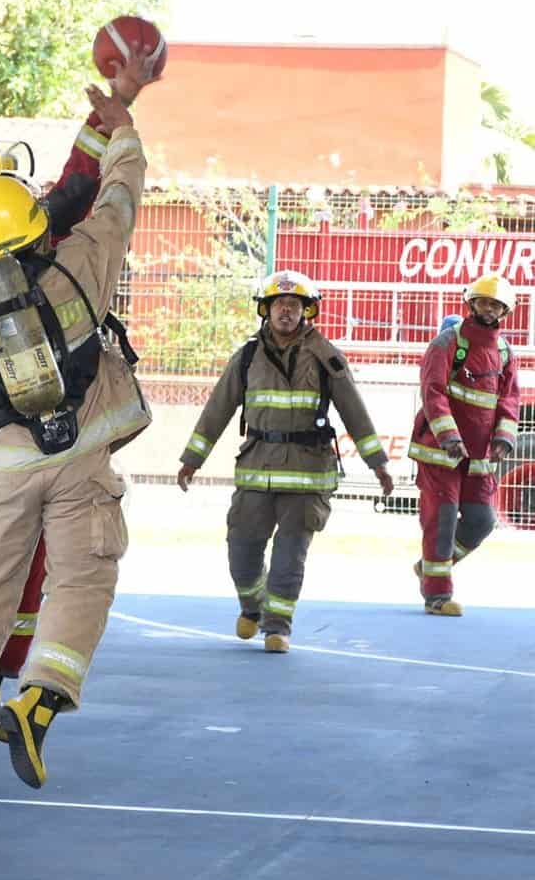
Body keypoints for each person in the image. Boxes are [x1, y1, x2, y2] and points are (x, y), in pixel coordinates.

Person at [0, 53, 157, 786]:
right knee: (81, 581)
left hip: (6, 466)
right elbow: (119, 196)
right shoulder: (84, 262)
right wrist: (125, 131)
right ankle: (38, 707)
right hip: (82, 455)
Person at [177, 270, 394, 652]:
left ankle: (278, 627)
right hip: (257, 468)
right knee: (241, 548)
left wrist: (377, 463)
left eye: (294, 306)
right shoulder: (246, 357)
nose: (287, 312)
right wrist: (192, 459)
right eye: (280, 304)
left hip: (308, 473)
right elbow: (218, 409)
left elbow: (354, 410)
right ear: (266, 310)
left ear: (306, 312)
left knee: (289, 556)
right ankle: (252, 605)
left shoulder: (327, 357)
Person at [409, 274, 520, 616]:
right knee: (440, 520)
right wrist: (449, 438)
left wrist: (503, 439)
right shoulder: (447, 343)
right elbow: (433, 393)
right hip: (441, 453)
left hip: (480, 457)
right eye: (484, 302)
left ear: (505, 311)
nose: (489, 309)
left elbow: (509, 400)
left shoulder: (503, 351)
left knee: (482, 520)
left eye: (496, 305)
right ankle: (438, 596)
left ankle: (429, 568)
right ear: (471, 303)